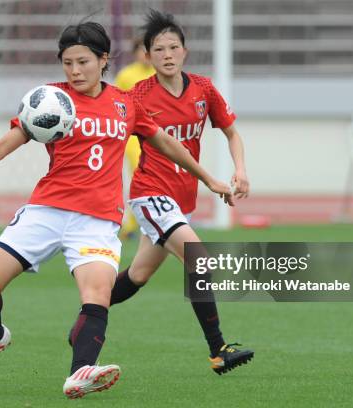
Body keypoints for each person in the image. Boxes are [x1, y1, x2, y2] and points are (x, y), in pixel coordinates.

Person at [0, 20, 232, 399]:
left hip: (97, 220)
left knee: (97, 295)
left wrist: (208, 178)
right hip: (47, 210)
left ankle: (80, 373)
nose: (75, 71)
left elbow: (165, 143)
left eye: (83, 62)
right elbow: (6, 143)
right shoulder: (49, 100)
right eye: (67, 63)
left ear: (103, 59)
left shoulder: (126, 104)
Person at [109, 9, 254, 375]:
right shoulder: (137, 95)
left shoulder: (203, 89)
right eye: (159, 49)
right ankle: (218, 349)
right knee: (199, 258)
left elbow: (232, 132)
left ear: (185, 51)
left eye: (174, 47)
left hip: (182, 200)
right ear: (148, 55)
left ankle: (88, 317)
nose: (168, 54)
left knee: (138, 275)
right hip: (151, 194)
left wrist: (240, 169)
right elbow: (111, 138)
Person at [115, 37, 156, 240]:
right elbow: (117, 103)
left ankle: (161, 217)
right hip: (133, 134)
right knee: (137, 175)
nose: (145, 54)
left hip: (158, 133)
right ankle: (131, 224)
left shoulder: (160, 74)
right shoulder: (126, 75)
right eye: (141, 50)